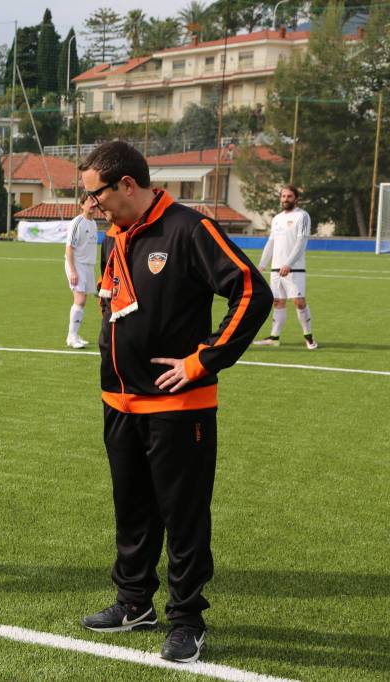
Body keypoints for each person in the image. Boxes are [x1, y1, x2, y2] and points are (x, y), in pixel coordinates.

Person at [77, 141, 271, 663]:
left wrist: (204, 359)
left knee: (183, 517)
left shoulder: (189, 229)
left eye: (95, 195)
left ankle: (186, 619)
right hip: (118, 403)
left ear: (127, 186)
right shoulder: (114, 236)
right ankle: (133, 602)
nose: (90, 206)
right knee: (132, 511)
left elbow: (252, 290)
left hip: (178, 409)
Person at [253, 185, 317, 349]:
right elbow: (271, 242)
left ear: (296, 198)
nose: (285, 199)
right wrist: (261, 265)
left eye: (289, 196)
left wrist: (288, 263)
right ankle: (274, 338)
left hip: (294, 268)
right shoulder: (277, 218)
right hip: (276, 269)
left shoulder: (302, 216)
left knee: (299, 302)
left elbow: (301, 242)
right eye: (283, 196)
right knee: (277, 302)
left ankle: (309, 337)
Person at [63, 194, 99, 349]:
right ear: (82, 205)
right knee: (80, 300)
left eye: (94, 201)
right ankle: (71, 337)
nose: (93, 203)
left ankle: (75, 335)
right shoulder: (77, 222)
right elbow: (69, 247)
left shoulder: (94, 224)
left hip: (88, 266)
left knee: (82, 302)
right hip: (77, 265)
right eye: (89, 201)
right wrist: (73, 271)